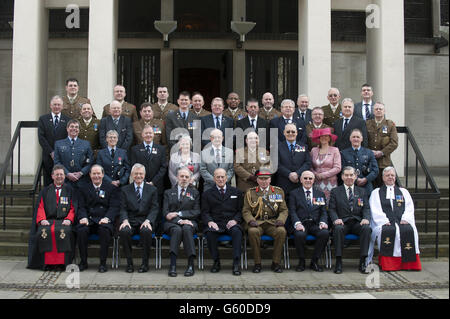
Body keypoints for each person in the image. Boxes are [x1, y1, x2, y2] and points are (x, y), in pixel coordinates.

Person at [368, 167, 421, 271]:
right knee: (389, 231)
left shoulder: (403, 192)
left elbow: (410, 207)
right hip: (385, 222)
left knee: (410, 230)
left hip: (402, 221)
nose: (390, 177)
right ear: (383, 178)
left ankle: (409, 265)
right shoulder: (376, 192)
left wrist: (406, 218)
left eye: (392, 175)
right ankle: (389, 265)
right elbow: (375, 209)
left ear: (395, 177)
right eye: (387, 175)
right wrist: (383, 221)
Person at [27, 165, 75, 270]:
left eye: (61, 174)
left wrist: (69, 219)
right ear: (52, 176)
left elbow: (73, 208)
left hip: (64, 221)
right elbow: (40, 207)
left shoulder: (70, 190)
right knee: (44, 232)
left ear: (65, 176)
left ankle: (61, 264)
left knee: (63, 232)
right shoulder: (45, 191)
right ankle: (47, 264)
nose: (59, 177)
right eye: (57, 174)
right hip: (48, 221)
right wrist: (42, 219)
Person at [242, 168, 288, 273]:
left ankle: (275, 263)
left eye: (266, 179)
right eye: (261, 179)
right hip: (257, 222)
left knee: (281, 231)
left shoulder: (278, 191)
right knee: (252, 231)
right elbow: (246, 211)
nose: (264, 181)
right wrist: (250, 221)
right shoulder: (250, 193)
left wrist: (281, 220)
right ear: (257, 180)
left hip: (273, 223)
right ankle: (257, 263)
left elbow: (284, 210)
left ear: (270, 180)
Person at [75, 165, 120, 272]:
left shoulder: (111, 188)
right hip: (89, 219)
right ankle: (83, 262)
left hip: (104, 219)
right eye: (94, 173)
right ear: (90, 175)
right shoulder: (83, 188)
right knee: (81, 230)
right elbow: (81, 206)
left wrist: (107, 218)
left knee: (104, 230)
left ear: (103, 175)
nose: (96, 176)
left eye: (98, 173)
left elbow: (114, 207)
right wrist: (83, 217)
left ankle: (103, 264)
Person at [328, 166, 371, 274]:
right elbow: (332, 209)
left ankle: (363, 262)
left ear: (355, 176)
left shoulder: (362, 191)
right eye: (346, 175)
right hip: (343, 222)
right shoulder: (335, 191)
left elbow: (366, 208)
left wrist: (366, 218)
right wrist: (336, 219)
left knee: (366, 229)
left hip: (357, 222)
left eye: (351, 175)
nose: (349, 177)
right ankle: (338, 262)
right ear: (342, 177)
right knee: (337, 229)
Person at [202, 168, 244, 275]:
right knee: (210, 233)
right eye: (218, 177)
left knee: (237, 232)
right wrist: (210, 222)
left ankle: (236, 263)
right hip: (216, 223)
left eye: (222, 177)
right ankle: (216, 262)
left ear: (226, 177)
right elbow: (205, 212)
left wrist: (235, 220)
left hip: (232, 223)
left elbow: (241, 210)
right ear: (214, 178)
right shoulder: (207, 194)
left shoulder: (236, 192)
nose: (220, 179)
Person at [119, 164, 159, 273]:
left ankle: (145, 264)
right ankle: (129, 263)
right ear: (132, 175)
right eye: (136, 173)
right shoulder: (125, 190)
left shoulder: (152, 189)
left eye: (141, 173)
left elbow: (154, 208)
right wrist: (125, 220)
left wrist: (148, 221)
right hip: (130, 220)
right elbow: (122, 208)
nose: (138, 176)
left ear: (144, 175)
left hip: (145, 220)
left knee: (146, 231)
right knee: (124, 231)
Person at [163, 167, 201, 277]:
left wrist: (179, 214)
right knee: (176, 230)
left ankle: (190, 265)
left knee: (187, 229)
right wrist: (179, 220)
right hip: (171, 224)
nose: (184, 179)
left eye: (186, 177)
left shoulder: (195, 193)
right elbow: (166, 213)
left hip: (190, 222)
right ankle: (173, 265)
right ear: (177, 178)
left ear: (190, 179)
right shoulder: (168, 193)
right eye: (181, 176)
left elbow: (197, 211)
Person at [288, 171, 329, 272]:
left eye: (310, 178)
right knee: (300, 235)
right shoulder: (294, 194)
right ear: (301, 180)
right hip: (301, 223)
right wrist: (297, 223)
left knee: (324, 233)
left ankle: (314, 261)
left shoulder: (320, 194)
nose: (308, 180)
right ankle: (301, 261)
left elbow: (323, 211)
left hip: (315, 224)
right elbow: (292, 211)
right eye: (305, 178)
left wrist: (323, 222)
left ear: (314, 180)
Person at [38, 96, 70, 186]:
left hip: (62, 156)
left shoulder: (67, 120)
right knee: (48, 182)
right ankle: (49, 199)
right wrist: (51, 152)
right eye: (54, 104)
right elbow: (41, 138)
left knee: (62, 181)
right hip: (48, 156)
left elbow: (68, 137)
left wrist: (60, 152)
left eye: (59, 105)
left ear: (62, 106)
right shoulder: (43, 119)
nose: (57, 107)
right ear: (50, 106)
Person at [366, 102, 399, 188]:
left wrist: (382, 152)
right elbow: (364, 141)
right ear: (373, 111)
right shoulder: (367, 124)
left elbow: (394, 143)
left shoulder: (390, 124)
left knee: (383, 186)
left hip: (384, 162)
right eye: (376, 109)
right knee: (371, 186)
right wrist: (370, 152)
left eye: (380, 109)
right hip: (370, 161)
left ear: (384, 111)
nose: (378, 111)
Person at [53, 119, 93, 187]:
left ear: (79, 130)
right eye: (72, 126)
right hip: (64, 180)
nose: (74, 129)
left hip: (81, 180)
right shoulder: (58, 144)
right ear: (67, 129)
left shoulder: (86, 144)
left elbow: (90, 162)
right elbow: (57, 162)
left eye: (76, 127)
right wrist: (67, 173)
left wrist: (81, 173)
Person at [275, 123, 311, 197]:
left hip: (299, 183)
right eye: (288, 132)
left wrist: (297, 174)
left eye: (293, 132)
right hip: (283, 184)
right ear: (284, 133)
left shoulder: (303, 146)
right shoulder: (277, 147)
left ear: (297, 133)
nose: (290, 133)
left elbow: (308, 163)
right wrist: (289, 174)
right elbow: (276, 164)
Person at [341, 129, 379, 195]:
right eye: (354, 137)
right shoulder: (344, 153)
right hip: (349, 185)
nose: (356, 139)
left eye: (358, 137)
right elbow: (342, 169)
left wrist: (366, 179)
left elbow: (375, 170)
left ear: (362, 139)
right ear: (350, 138)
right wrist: (355, 179)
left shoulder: (369, 153)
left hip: (366, 186)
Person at [309, 127, 341, 200]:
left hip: (331, 182)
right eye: (322, 136)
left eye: (326, 136)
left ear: (329, 138)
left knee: (330, 203)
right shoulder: (314, 150)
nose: (324, 138)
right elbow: (309, 165)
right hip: (316, 181)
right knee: (317, 202)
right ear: (319, 138)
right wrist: (315, 174)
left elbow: (338, 167)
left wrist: (323, 175)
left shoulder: (335, 150)